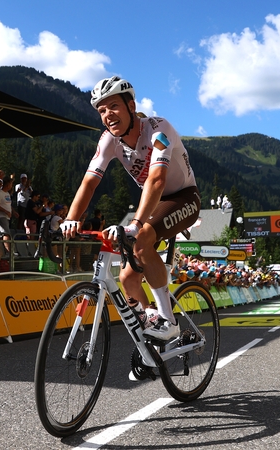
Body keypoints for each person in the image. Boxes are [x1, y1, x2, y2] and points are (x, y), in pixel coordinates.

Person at [60, 76, 201, 342]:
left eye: (113, 106)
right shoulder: (108, 140)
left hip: (184, 198)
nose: (107, 115)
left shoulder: (159, 130)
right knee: (128, 279)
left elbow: (156, 179)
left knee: (142, 239)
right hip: (154, 203)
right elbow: (89, 182)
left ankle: (168, 321)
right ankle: (152, 326)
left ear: (131, 106)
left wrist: (136, 224)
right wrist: (71, 218)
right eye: (102, 110)